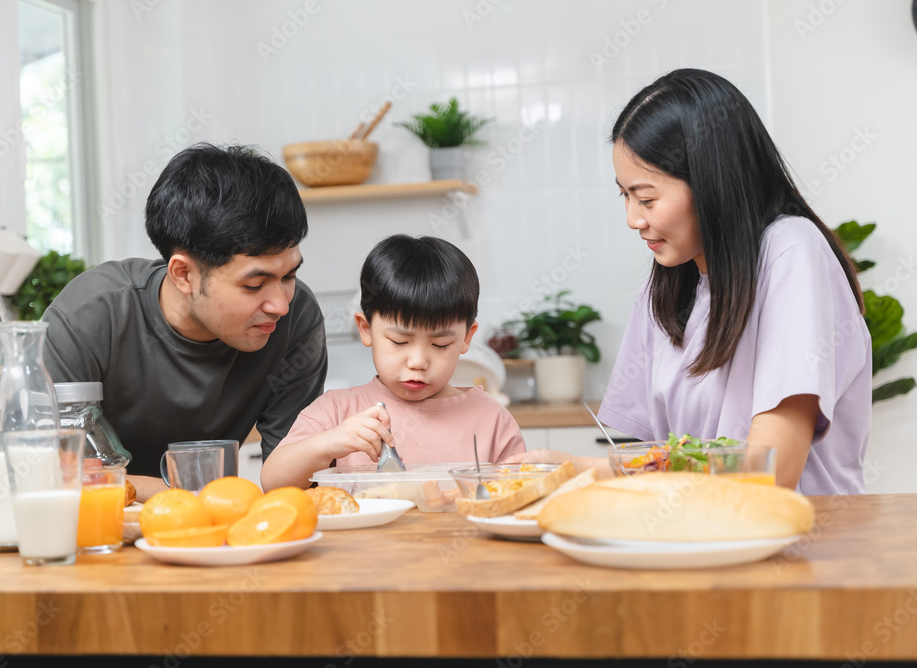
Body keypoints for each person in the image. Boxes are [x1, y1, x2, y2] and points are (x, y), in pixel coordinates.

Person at [510, 69, 871, 495]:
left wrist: (589, 469)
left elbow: (770, 473)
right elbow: (659, 456)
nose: (633, 219)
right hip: (699, 535)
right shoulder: (667, 284)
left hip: (797, 544)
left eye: (646, 198)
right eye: (624, 196)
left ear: (711, 180)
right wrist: (572, 469)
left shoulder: (791, 251)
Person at [43, 143, 328, 501]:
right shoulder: (88, 319)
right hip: (102, 532)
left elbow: (290, 479)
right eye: (254, 284)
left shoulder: (297, 319)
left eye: (289, 276)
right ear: (183, 274)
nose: (280, 305)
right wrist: (194, 498)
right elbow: (58, 478)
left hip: (209, 530)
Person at [262, 234, 526, 490]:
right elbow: (273, 483)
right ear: (366, 329)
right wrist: (327, 443)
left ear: (467, 337)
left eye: (440, 345)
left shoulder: (491, 420)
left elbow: (517, 496)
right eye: (400, 341)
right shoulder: (337, 412)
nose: (418, 362)